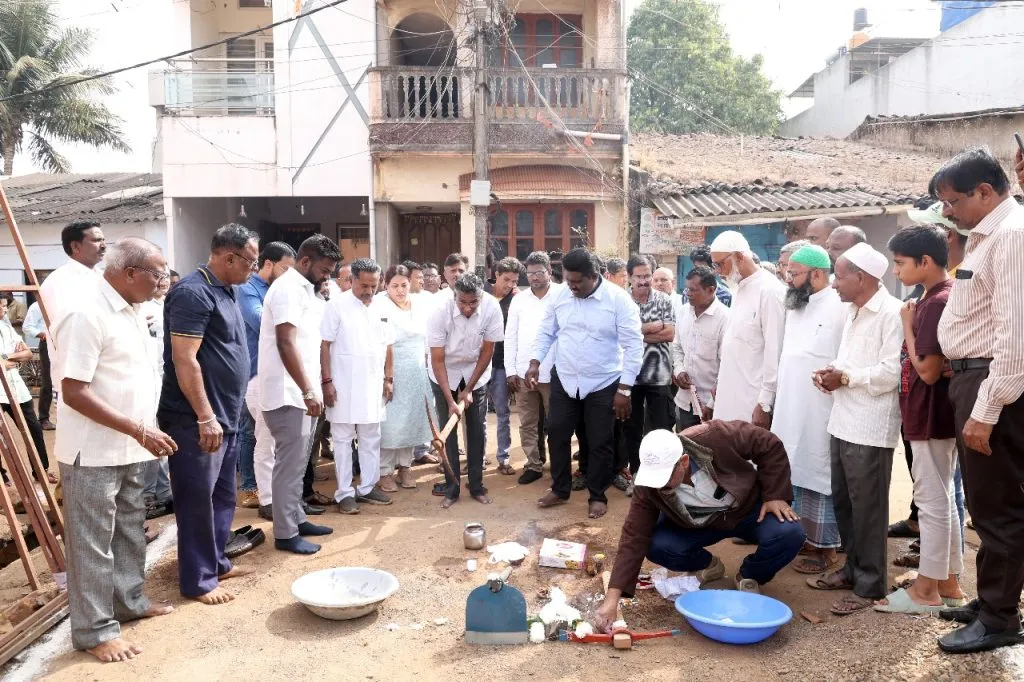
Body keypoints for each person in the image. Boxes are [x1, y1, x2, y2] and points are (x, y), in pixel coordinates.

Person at [55, 238, 176, 663]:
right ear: (129, 273)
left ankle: (129, 601)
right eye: (158, 273)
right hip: (93, 451)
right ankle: (94, 631)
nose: (163, 282)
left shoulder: (133, 311)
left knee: (128, 528)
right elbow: (74, 391)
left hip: (130, 445)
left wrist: (144, 430)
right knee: (92, 542)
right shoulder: (86, 314)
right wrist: (137, 428)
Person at [935, 148, 1024, 653]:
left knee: (999, 508)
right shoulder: (990, 238)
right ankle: (994, 600)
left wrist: (986, 410)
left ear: (985, 192)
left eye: (952, 201)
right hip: (975, 379)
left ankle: (999, 617)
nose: (947, 211)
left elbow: (1015, 336)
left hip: (993, 385)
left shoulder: (1012, 236)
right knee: (990, 505)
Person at [594, 425, 804, 631]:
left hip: (747, 510)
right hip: (700, 524)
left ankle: (750, 575)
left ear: (683, 462)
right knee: (658, 545)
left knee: (790, 533)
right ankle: (708, 565)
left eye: (665, 479)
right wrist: (612, 599)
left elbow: (768, 443)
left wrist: (775, 495)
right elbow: (634, 536)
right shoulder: (648, 486)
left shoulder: (714, 436)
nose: (659, 487)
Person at [159, 224, 256, 605]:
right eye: (249, 261)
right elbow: (184, 359)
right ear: (228, 257)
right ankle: (197, 580)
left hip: (226, 415)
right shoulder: (192, 293)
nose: (253, 267)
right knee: (197, 499)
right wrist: (204, 415)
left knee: (222, 497)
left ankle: (215, 562)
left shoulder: (228, 290)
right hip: (196, 419)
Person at [872, 225, 965, 615]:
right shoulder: (937, 297)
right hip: (935, 414)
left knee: (931, 500)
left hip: (931, 413)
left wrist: (907, 327)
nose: (896, 271)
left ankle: (926, 590)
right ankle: (948, 580)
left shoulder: (932, 304)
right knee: (940, 497)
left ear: (925, 262)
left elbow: (926, 370)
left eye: (900, 263)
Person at [808, 243, 903, 616]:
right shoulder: (853, 311)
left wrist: (844, 376)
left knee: (869, 509)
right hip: (843, 420)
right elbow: (851, 362)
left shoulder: (892, 314)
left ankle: (870, 585)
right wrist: (832, 371)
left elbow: (891, 373)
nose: (834, 284)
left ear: (861, 278)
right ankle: (851, 570)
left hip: (870, 425)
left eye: (840, 276)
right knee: (845, 503)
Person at [528, 248, 643, 519]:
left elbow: (633, 345)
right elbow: (547, 331)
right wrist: (535, 361)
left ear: (595, 276)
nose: (572, 286)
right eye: (568, 280)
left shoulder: (618, 300)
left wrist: (624, 389)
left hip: (603, 381)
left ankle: (597, 495)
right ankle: (560, 489)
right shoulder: (560, 296)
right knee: (556, 432)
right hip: (565, 377)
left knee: (600, 440)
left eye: (577, 282)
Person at [769, 245, 847, 575]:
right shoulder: (795, 305)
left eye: (794, 273)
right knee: (792, 467)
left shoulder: (839, 308)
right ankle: (803, 537)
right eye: (787, 272)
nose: (788, 279)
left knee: (818, 471)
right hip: (790, 406)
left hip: (820, 408)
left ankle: (826, 547)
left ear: (816, 274)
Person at [257, 235, 338, 552]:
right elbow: (285, 342)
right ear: (305, 262)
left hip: (302, 392)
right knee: (288, 465)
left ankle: (297, 517)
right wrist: (307, 389)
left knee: (299, 462)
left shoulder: (306, 289)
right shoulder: (288, 289)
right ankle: (286, 533)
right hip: (288, 393)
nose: (327, 276)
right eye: (324, 270)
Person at [322, 258, 395, 514]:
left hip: (373, 384)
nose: (368, 291)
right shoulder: (336, 306)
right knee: (341, 439)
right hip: (342, 384)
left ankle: (367, 487)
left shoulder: (382, 306)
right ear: (351, 280)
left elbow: (388, 345)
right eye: (363, 285)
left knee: (371, 437)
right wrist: (327, 382)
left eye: (373, 286)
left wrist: (388, 378)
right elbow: (325, 345)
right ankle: (344, 493)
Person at [428, 272, 503, 508]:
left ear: (481, 297)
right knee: (447, 432)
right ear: (454, 297)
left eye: (473, 302)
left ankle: (477, 485)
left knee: (476, 429)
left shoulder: (491, 308)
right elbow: (437, 359)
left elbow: (487, 351)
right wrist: (450, 399)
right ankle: (452, 488)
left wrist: (469, 387)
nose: (468, 307)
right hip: (444, 373)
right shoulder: (439, 312)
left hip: (476, 373)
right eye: (463, 302)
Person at [237, 242, 296, 512]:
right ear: (268, 264)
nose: (288, 275)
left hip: (282, 373)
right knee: (264, 438)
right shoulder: (248, 291)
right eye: (284, 268)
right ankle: (266, 499)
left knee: (282, 441)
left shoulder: (283, 289)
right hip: (257, 376)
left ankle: (280, 496)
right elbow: (263, 324)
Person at [708, 231, 786, 427]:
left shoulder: (770, 291)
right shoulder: (739, 289)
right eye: (714, 265)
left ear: (739, 257)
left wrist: (765, 404)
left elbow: (774, 351)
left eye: (720, 264)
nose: (717, 271)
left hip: (752, 401)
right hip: (730, 394)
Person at [39, 220, 106, 426]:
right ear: (75, 246)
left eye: (104, 240)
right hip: (77, 373)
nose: (103, 245)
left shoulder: (101, 276)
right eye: (96, 240)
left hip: (104, 368)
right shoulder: (61, 281)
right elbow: (69, 332)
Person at [505, 251, 563, 485]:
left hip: (554, 372)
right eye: (530, 273)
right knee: (528, 422)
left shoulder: (563, 295)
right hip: (522, 372)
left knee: (556, 422)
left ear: (549, 271)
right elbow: (510, 337)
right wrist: (510, 370)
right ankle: (533, 464)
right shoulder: (519, 299)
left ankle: (559, 466)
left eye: (539, 272)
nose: (534, 277)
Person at [376, 264, 433, 491]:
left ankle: (405, 467)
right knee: (390, 423)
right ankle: (384, 471)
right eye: (394, 286)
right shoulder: (380, 305)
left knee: (411, 421)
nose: (400, 290)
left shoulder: (420, 303)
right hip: (391, 369)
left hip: (417, 369)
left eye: (404, 285)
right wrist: (385, 376)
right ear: (386, 285)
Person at [623, 255, 676, 475]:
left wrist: (637, 333)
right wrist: (653, 327)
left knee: (661, 428)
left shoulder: (664, 300)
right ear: (629, 277)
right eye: (639, 276)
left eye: (647, 276)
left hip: (659, 375)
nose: (643, 281)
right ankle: (636, 474)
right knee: (631, 428)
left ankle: (662, 473)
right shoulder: (622, 301)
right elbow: (620, 336)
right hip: (630, 376)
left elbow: (670, 333)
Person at [0, 295, 55, 484]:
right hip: (0, 389)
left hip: (16, 388)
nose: (5, 310)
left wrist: (8, 357)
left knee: (34, 429)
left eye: (6, 306)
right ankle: (3, 477)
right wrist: (11, 360)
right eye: (2, 307)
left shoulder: (6, 327)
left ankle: (41, 470)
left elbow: (27, 353)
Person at [672, 267, 730, 431]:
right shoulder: (683, 312)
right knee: (686, 452)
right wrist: (679, 370)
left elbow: (727, 365)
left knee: (710, 454)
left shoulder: (725, 318)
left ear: (711, 290)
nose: (687, 293)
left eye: (693, 290)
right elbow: (677, 347)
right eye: (687, 288)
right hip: (685, 402)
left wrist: (712, 403)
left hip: (712, 406)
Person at [140, 276, 173, 519]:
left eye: (165, 278)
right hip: (147, 379)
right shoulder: (142, 308)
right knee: (151, 437)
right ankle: (148, 495)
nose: (162, 283)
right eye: (157, 278)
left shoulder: (166, 305)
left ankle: (162, 491)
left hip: (163, 377)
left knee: (161, 437)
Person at [486, 257, 520, 475]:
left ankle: (503, 458)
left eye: (514, 281)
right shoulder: (481, 295)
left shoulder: (517, 300)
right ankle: (477, 457)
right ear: (496, 275)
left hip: (501, 365)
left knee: (502, 412)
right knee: (477, 416)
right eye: (506, 279)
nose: (509, 284)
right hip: (478, 364)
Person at [21, 301, 55, 430]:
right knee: (48, 382)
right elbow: (27, 326)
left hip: (66, 342)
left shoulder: (64, 302)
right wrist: (43, 334)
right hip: (48, 343)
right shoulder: (37, 306)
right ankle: (44, 419)